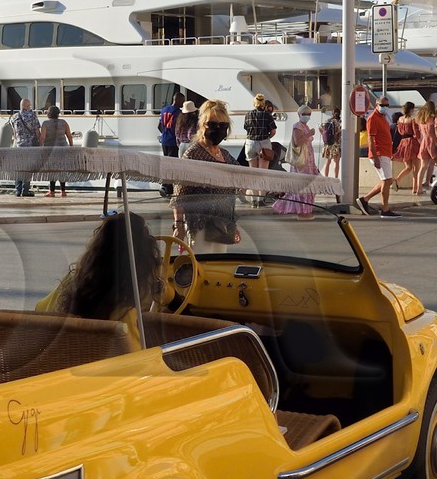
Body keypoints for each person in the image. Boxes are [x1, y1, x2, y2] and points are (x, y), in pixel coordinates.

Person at [38, 213, 161, 328]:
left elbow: (41, 307)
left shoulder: (74, 281)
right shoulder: (143, 293)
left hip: (70, 342)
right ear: (144, 254)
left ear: (97, 248)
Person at [175, 99, 240, 249]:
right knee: (202, 261)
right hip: (200, 224)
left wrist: (232, 225)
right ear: (202, 125)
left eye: (223, 126)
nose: (218, 129)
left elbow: (240, 180)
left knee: (220, 263)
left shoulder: (225, 155)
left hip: (222, 224)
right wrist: (178, 225)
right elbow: (179, 194)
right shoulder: (193, 154)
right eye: (213, 124)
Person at [358, 96, 400, 217]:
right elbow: (371, 139)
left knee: (386, 180)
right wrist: (375, 157)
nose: (384, 107)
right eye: (382, 105)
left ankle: (365, 199)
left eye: (386, 105)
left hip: (385, 153)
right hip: (379, 153)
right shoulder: (373, 118)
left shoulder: (383, 118)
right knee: (387, 180)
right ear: (376, 105)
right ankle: (385, 209)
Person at [273, 106, 318, 218]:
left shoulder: (305, 126)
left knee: (308, 186)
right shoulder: (297, 126)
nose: (307, 116)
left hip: (308, 161)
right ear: (299, 114)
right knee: (302, 186)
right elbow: (297, 142)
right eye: (305, 114)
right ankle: (302, 212)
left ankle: (305, 211)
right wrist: (309, 134)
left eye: (309, 114)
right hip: (302, 162)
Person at [38, 104, 72, 197]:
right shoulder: (64, 122)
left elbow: (42, 137)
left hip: (50, 149)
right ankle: (63, 191)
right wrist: (71, 146)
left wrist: (39, 148)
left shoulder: (45, 123)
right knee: (62, 169)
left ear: (48, 114)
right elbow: (69, 136)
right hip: (63, 148)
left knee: (52, 170)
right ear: (58, 114)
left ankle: (52, 191)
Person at [10, 97, 40, 197]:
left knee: (18, 168)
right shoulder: (32, 116)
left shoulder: (14, 117)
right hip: (29, 146)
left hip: (18, 146)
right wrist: (40, 143)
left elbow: (14, 134)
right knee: (27, 168)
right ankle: (25, 190)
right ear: (27, 106)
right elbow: (37, 131)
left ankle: (17, 190)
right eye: (29, 105)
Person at [393, 101, 421, 195]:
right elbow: (416, 134)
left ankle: (397, 179)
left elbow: (399, 131)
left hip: (403, 143)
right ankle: (415, 188)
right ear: (411, 109)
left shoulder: (400, 119)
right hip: (412, 142)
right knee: (416, 168)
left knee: (408, 167)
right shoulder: (412, 120)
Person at [243, 93, 276, 171]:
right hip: (264, 142)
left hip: (250, 143)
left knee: (252, 170)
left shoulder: (248, 115)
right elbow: (273, 131)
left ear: (254, 103)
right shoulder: (267, 115)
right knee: (263, 171)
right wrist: (268, 137)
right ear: (263, 103)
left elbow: (246, 128)